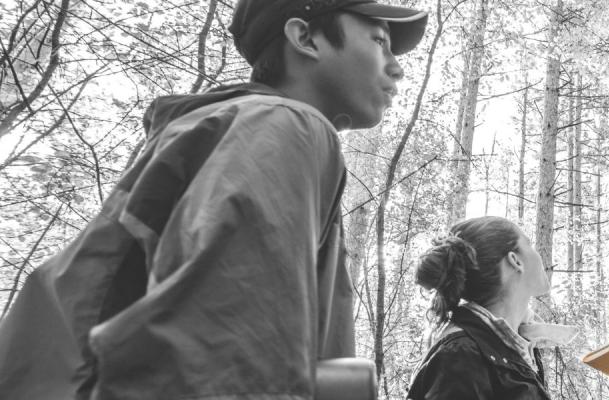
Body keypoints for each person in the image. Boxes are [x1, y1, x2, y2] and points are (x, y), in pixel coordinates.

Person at [0, 0, 428, 398]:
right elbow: (223, 359)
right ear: (306, 39)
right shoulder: (284, 126)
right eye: (379, 41)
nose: (396, 69)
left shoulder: (237, 125)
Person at [407, 217, 563, 400]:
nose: (539, 255)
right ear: (515, 260)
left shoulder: (512, 347)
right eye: (529, 244)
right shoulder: (461, 355)